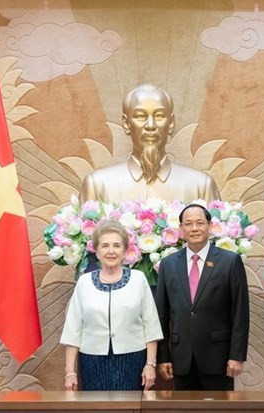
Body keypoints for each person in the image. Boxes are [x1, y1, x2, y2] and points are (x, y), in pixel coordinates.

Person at [60, 219, 163, 391]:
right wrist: (70, 372)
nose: (111, 251)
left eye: (116, 245)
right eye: (105, 245)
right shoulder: (84, 283)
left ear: (124, 251)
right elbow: (73, 329)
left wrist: (150, 365)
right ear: (97, 251)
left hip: (132, 361)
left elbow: (151, 325)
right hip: (92, 362)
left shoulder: (138, 279)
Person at [155, 204, 249, 390]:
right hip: (181, 359)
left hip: (219, 359)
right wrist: (163, 356)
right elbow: (162, 315)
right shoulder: (168, 265)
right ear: (181, 229)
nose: (194, 228)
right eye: (188, 224)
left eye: (200, 223)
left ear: (210, 226)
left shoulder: (230, 261)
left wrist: (236, 355)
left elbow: (240, 312)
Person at [79, 84, 220, 204]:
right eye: (140, 116)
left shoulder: (201, 186)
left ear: (170, 123)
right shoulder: (97, 185)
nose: (151, 125)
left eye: (159, 116)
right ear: (126, 124)